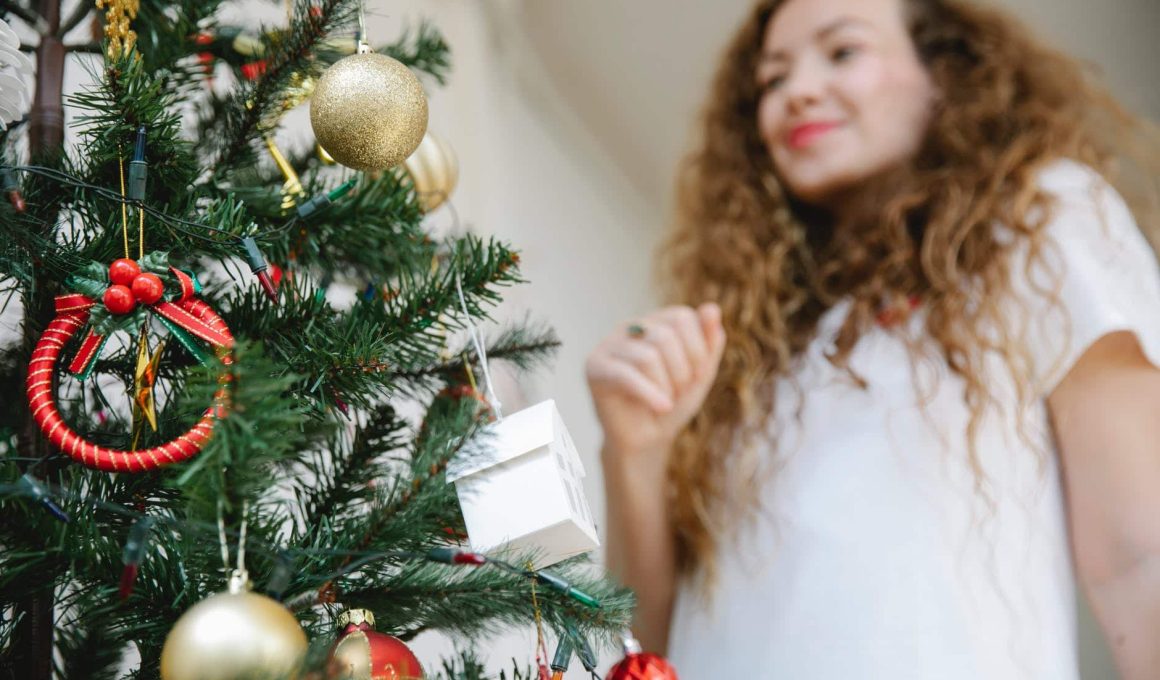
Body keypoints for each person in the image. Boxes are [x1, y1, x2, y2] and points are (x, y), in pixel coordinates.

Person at [585, 0, 1160, 677]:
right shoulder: (745, 341)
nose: (796, 92)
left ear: (943, 75)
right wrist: (634, 452)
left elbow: (1137, 558)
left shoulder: (1039, 220)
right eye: (772, 81)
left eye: (842, 52)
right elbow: (645, 646)